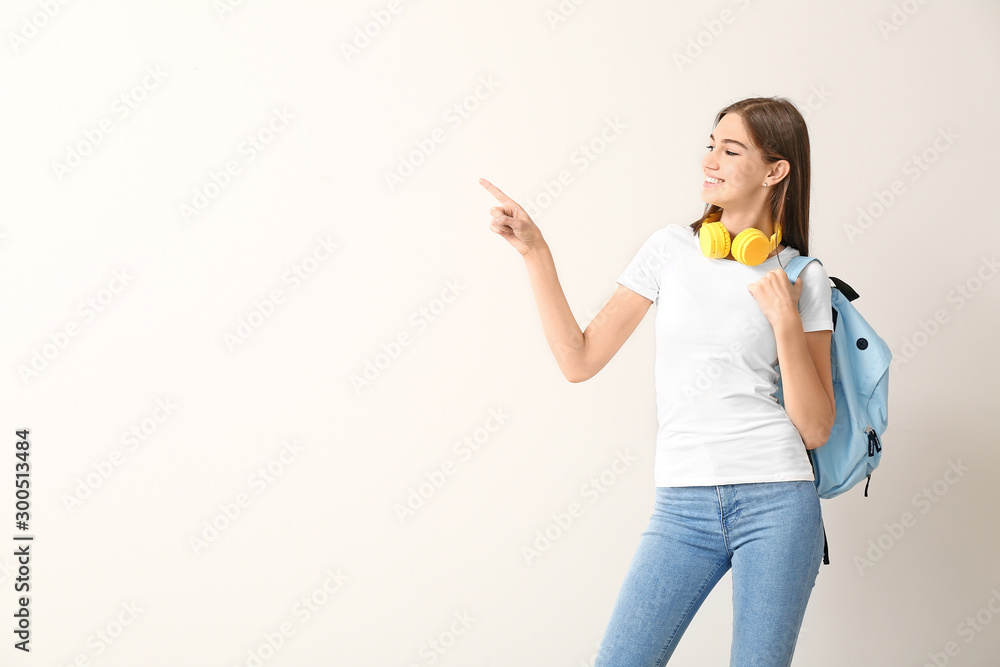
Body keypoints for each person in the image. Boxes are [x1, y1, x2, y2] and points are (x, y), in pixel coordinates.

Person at [480, 96, 835, 666]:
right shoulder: (671, 249)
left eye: (731, 149)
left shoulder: (800, 275)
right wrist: (536, 252)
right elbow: (579, 360)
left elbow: (816, 427)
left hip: (777, 501)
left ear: (776, 170)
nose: (710, 160)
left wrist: (786, 322)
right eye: (710, 145)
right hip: (681, 506)